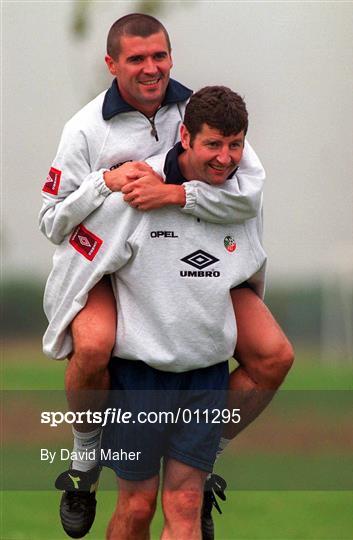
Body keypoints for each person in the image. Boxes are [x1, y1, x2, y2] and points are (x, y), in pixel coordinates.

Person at [40, 13, 293, 540]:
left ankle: (202, 456)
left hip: (201, 283)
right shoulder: (85, 128)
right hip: (107, 267)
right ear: (111, 64)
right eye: (136, 58)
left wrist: (177, 194)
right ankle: (84, 464)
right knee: (94, 347)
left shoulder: (199, 110)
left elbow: (248, 190)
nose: (151, 68)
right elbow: (53, 221)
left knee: (274, 357)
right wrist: (104, 184)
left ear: (171, 56)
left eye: (159, 55)